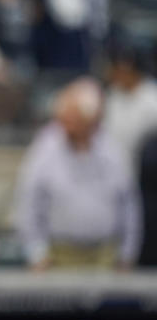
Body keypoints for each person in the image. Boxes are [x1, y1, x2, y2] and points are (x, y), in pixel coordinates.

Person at [15, 77, 142, 270]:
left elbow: (130, 206)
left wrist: (127, 254)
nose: (65, 123)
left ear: (92, 120)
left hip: (106, 256)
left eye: (73, 117)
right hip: (58, 255)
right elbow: (29, 202)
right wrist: (36, 253)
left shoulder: (113, 149)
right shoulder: (44, 147)